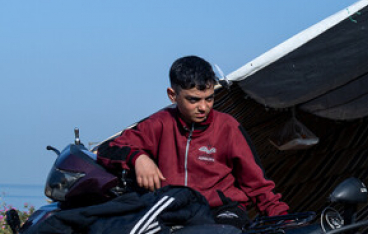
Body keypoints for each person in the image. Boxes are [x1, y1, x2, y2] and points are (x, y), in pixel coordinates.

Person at [97, 56, 288, 223]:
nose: (203, 107)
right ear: (173, 95)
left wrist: (283, 220)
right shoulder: (159, 124)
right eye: (194, 100)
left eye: (209, 98)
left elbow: (258, 185)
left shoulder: (228, 127)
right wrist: (138, 158)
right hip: (172, 212)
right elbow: (107, 149)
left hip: (222, 213)